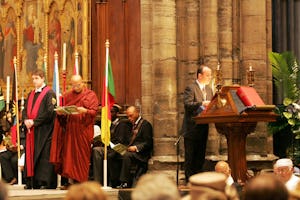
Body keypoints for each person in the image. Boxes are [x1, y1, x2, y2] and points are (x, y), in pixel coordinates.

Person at [50, 75, 99, 184]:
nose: (76, 87)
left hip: (83, 130)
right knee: (69, 157)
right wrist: (61, 112)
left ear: (82, 83)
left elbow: (94, 112)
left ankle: (81, 181)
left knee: (82, 156)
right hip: (71, 130)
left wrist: (85, 111)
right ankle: (71, 181)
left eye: (78, 84)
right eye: (74, 85)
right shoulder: (68, 95)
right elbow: (62, 113)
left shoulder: (90, 95)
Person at [22, 69, 57, 189]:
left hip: (45, 131)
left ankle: (44, 182)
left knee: (43, 156)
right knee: (31, 155)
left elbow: (50, 112)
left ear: (43, 79)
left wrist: (34, 122)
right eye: (33, 78)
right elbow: (24, 109)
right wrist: (26, 119)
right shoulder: (31, 94)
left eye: (36, 78)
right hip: (31, 130)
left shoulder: (50, 93)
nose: (34, 81)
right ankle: (32, 181)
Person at [181, 65, 213, 183]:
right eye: (208, 75)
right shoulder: (191, 88)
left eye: (210, 75)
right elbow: (187, 105)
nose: (210, 77)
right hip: (191, 128)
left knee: (200, 155)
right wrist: (201, 103)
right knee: (190, 156)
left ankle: (199, 179)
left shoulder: (209, 89)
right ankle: (189, 181)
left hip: (203, 127)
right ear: (200, 75)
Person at [92, 104, 131, 187]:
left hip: (120, 148)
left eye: (112, 112)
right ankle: (97, 182)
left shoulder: (122, 124)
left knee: (110, 154)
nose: (109, 114)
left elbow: (120, 141)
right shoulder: (107, 123)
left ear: (117, 113)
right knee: (96, 150)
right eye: (108, 112)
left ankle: (114, 182)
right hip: (109, 147)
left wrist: (107, 142)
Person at [117, 106, 153, 188]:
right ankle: (113, 181)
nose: (129, 118)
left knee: (126, 155)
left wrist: (136, 147)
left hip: (141, 154)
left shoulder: (145, 125)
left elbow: (148, 143)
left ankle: (124, 182)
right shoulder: (129, 124)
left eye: (131, 116)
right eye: (128, 116)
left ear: (137, 113)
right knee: (113, 154)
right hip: (130, 150)